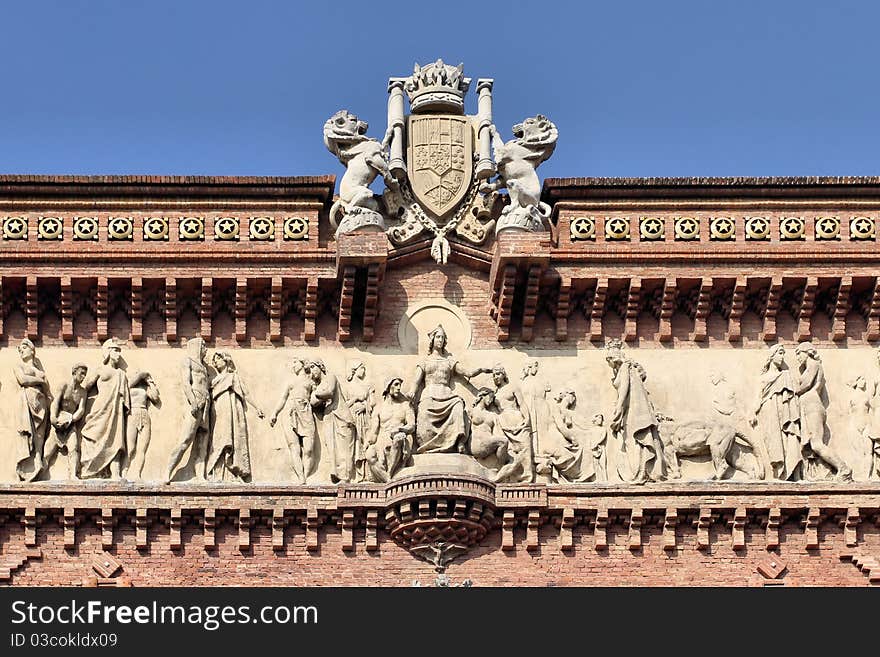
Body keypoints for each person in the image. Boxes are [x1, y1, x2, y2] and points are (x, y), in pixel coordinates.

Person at [409, 324, 491, 454]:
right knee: (423, 411)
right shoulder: (425, 361)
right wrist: (412, 391)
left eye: (442, 338)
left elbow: (467, 372)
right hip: (429, 395)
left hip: (446, 394)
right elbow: (416, 380)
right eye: (438, 337)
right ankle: (427, 443)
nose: (440, 340)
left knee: (458, 404)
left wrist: (480, 370)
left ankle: (459, 442)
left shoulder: (449, 361)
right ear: (432, 340)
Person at [605, 340, 664, 484]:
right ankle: (643, 471)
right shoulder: (626, 368)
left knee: (635, 439)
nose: (609, 361)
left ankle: (640, 472)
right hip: (632, 410)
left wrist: (618, 407)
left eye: (609, 358)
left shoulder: (625, 367)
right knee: (636, 440)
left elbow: (624, 387)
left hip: (634, 411)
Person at [794, 343, 851, 481]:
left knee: (817, 444)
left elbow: (806, 384)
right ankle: (823, 471)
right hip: (808, 406)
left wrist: (792, 389)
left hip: (812, 405)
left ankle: (843, 468)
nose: (798, 358)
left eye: (799, 354)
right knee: (811, 446)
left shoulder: (813, 364)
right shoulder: (808, 368)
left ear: (807, 352)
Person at [207, 352, 263, 482]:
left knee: (232, 437)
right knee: (219, 438)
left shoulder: (233, 377)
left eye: (218, 359)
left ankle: (232, 471)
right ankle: (217, 471)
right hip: (218, 410)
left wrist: (257, 407)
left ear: (226, 360)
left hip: (232, 409)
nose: (215, 363)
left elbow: (246, 394)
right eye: (214, 361)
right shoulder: (214, 381)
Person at [80, 338, 130, 479]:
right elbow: (84, 387)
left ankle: (115, 473)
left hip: (116, 411)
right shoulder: (100, 369)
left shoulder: (122, 374)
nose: (118, 354)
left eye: (119, 351)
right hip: (99, 410)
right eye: (115, 350)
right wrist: (81, 407)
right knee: (93, 436)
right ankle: (88, 470)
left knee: (116, 440)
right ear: (107, 352)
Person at [751, 344, 801, 481]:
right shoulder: (763, 378)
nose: (783, 356)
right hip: (768, 411)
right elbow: (758, 397)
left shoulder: (785, 376)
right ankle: (778, 471)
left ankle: (791, 472)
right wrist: (752, 413)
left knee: (788, 439)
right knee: (773, 441)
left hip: (785, 411)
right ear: (771, 357)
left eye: (783, 353)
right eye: (780, 353)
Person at [165, 337, 211, 483]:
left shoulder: (204, 366)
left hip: (206, 404)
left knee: (202, 442)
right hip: (195, 402)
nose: (206, 349)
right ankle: (167, 471)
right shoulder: (188, 361)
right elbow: (186, 383)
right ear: (196, 347)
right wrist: (193, 402)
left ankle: (200, 476)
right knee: (186, 439)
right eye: (203, 346)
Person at [269, 357, 319, 484]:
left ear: (303, 364)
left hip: (306, 412)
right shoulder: (290, 382)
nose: (293, 366)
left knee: (309, 449)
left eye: (295, 362)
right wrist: (275, 412)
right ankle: (301, 478)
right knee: (294, 447)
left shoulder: (311, 381)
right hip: (290, 412)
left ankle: (306, 476)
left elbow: (316, 398)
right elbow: (283, 399)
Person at [311, 359, 357, 483]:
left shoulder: (330, 377)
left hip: (341, 416)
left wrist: (316, 393)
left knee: (344, 447)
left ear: (320, 367)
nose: (312, 372)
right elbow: (313, 403)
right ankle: (336, 473)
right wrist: (317, 392)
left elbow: (330, 392)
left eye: (313, 367)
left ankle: (346, 477)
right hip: (329, 417)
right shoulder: (319, 386)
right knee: (331, 446)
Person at [365, 377, 415, 482]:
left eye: (399, 385)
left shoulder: (405, 405)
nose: (399, 388)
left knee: (398, 439)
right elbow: (374, 431)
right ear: (388, 386)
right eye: (396, 384)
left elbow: (412, 425)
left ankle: (389, 474)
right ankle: (387, 479)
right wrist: (367, 443)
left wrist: (401, 429)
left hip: (400, 437)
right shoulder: (378, 408)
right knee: (369, 455)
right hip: (382, 439)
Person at [13, 338, 50, 481]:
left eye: (24, 347)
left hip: (41, 402)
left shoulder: (39, 369)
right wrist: (40, 381)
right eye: (19, 349)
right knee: (26, 432)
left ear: (32, 349)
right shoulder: (18, 365)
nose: (21, 350)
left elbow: (48, 392)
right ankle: (24, 466)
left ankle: (38, 461)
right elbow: (23, 380)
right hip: (26, 400)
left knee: (40, 434)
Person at [490, 365, 534, 483]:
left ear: (504, 375)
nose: (495, 377)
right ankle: (509, 477)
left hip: (516, 419)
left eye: (498, 374)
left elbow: (522, 404)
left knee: (524, 447)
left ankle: (526, 478)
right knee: (509, 451)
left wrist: (527, 419)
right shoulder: (495, 393)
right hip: (503, 422)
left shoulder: (512, 387)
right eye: (494, 375)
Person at [44, 363, 88, 480]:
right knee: (48, 450)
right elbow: (55, 402)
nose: (83, 377)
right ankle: (40, 472)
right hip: (58, 422)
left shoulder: (83, 392)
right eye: (81, 373)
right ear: (74, 373)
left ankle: (73, 475)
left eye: (85, 374)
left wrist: (72, 419)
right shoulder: (64, 385)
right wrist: (53, 418)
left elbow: (81, 409)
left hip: (70, 423)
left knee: (73, 448)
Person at [125, 371, 160, 480]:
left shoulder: (144, 390)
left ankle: (137, 474)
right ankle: (124, 472)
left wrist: (150, 382)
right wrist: (142, 374)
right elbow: (129, 384)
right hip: (132, 414)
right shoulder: (128, 387)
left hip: (144, 415)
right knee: (130, 448)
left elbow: (155, 398)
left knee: (142, 449)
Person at [344, 362, 375, 482]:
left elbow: (372, 404)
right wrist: (356, 399)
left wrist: (365, 407)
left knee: (364, 442)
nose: (364, 371)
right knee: (353, 444)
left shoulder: (367, 386)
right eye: (362, 368)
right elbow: (344, 405)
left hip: (364, 418)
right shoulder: (347, 387)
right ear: (355, 369)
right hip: (352, 418)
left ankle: (365, 474)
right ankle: (354, 474)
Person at [469, 387, 510, 467]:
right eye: (490, 397)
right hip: (476, 444)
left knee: (504, 441)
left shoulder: (492, 415)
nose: (491, 401)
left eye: (492, 399)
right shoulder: (472, 411)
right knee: (503, 441)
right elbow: (466, 428)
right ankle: (501, 467)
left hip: (488, 444)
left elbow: (498, 433)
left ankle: (500, 467)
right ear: (483, 396)